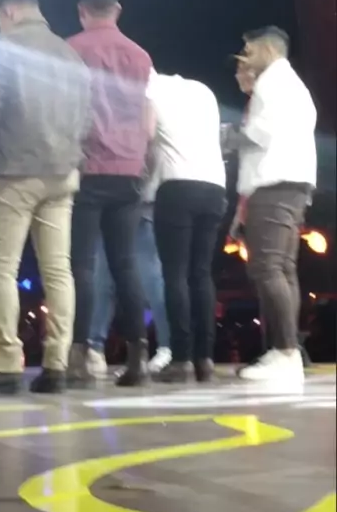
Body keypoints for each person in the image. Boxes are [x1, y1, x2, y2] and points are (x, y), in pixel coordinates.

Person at [0, 0, 90, 397]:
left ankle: (6, 363)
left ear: (8, 10)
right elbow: (86, 118)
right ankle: (56, 364)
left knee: (2, 270)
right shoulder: (70, 53)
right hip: (63, 173)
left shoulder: (2, 45)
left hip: (15, 171)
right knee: (58, 270)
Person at [67, 0, 153, 387]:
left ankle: (79, 356)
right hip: (129, 172)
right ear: (117, 9)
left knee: (81, 266)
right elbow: (148, 122)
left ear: (81, 10)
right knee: (125, 264)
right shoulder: (141, 56)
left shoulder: (70, 50)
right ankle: (138, 357)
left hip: (86, 169)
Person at [228, 26, 317, 386]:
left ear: (266, 48)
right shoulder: (292, 84)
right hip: (291, 184)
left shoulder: (273, 83)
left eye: (248, 50)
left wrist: (223, 136)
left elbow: (260, 133)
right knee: (282, 269)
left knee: (267, 268)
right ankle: (285, 349)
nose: (245, 57)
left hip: (275, 184)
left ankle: (285, 352)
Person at [148, 69, 227, 383]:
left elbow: (147, 138)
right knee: (202, 273)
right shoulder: (203, 90)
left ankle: (181, 358)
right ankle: (205, 359)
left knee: (175, 273)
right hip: (214, 186)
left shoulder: (151, 91)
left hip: (177, 186)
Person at [87, 137, 171, 377]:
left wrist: (139, 186)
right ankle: (95, 348)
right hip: (129, 198)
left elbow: (152, 149)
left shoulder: (144, 114)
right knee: (107, 278)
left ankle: (167, 347)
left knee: (145, 278)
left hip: (133, 198)